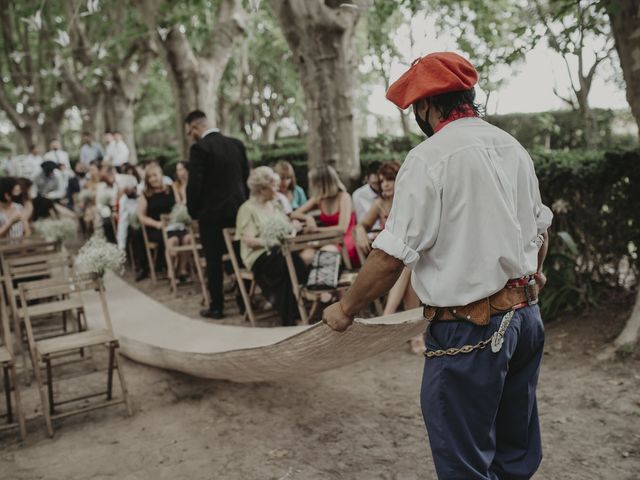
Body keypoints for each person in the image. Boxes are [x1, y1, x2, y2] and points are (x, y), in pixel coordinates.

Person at [322, 52, 553, 480]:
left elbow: (391, 256)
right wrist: (532, 273)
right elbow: (541, 228)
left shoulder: (430, 157)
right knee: (513, 451)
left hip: (471, 328)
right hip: (526, 319)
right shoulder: (512, 147)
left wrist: (345, 309)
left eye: (415, 109)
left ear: (426, 106)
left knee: (463, 458)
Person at [185, 110, 249, 319]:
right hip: (238, 213)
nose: (190, 136)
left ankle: (217, 307)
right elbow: (245, 178)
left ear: (195, 127)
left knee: (213, 262)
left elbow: (194, 185)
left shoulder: (199, 148)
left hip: (211, 216)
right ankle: (244, 301)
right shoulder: (236, 144)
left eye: (189, 132)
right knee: (239, 257)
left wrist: (194, 212)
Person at [235, 167, 309, 326]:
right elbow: (249, 240)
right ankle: (298, 309)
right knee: (289, 262)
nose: (278, 188)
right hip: (259, 256)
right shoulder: (247, 209)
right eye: (274, 185)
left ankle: (293, 313)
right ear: (262, 189)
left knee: (293, 259)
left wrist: (294, 227)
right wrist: (272, 243)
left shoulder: (275, 205)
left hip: (281, 253)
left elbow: (287, 228)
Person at [292, 165, 360, 267]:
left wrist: (316, 230)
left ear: (321, 183)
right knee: (305, 257)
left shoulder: (344, 197)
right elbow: (294, 214)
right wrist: (307, 218)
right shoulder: (319, 198)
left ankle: (327, 281)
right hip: (327, 238)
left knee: (325, 254)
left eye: (313, 182)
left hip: (346, 238)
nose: (311, 185)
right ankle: (311, 282)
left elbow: (342, 229)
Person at [137, 164, 193, 282]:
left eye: (155, 175)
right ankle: (171, 271)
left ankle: (182, 270)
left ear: (161, 175)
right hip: (157, 228)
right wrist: (157, 224)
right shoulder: (145, 194)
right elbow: (141, 216)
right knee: (174, 240)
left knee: (188, 238)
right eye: (149, 177)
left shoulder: (171, 188)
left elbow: (178, 206)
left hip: (175, 225)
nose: (152, 179)